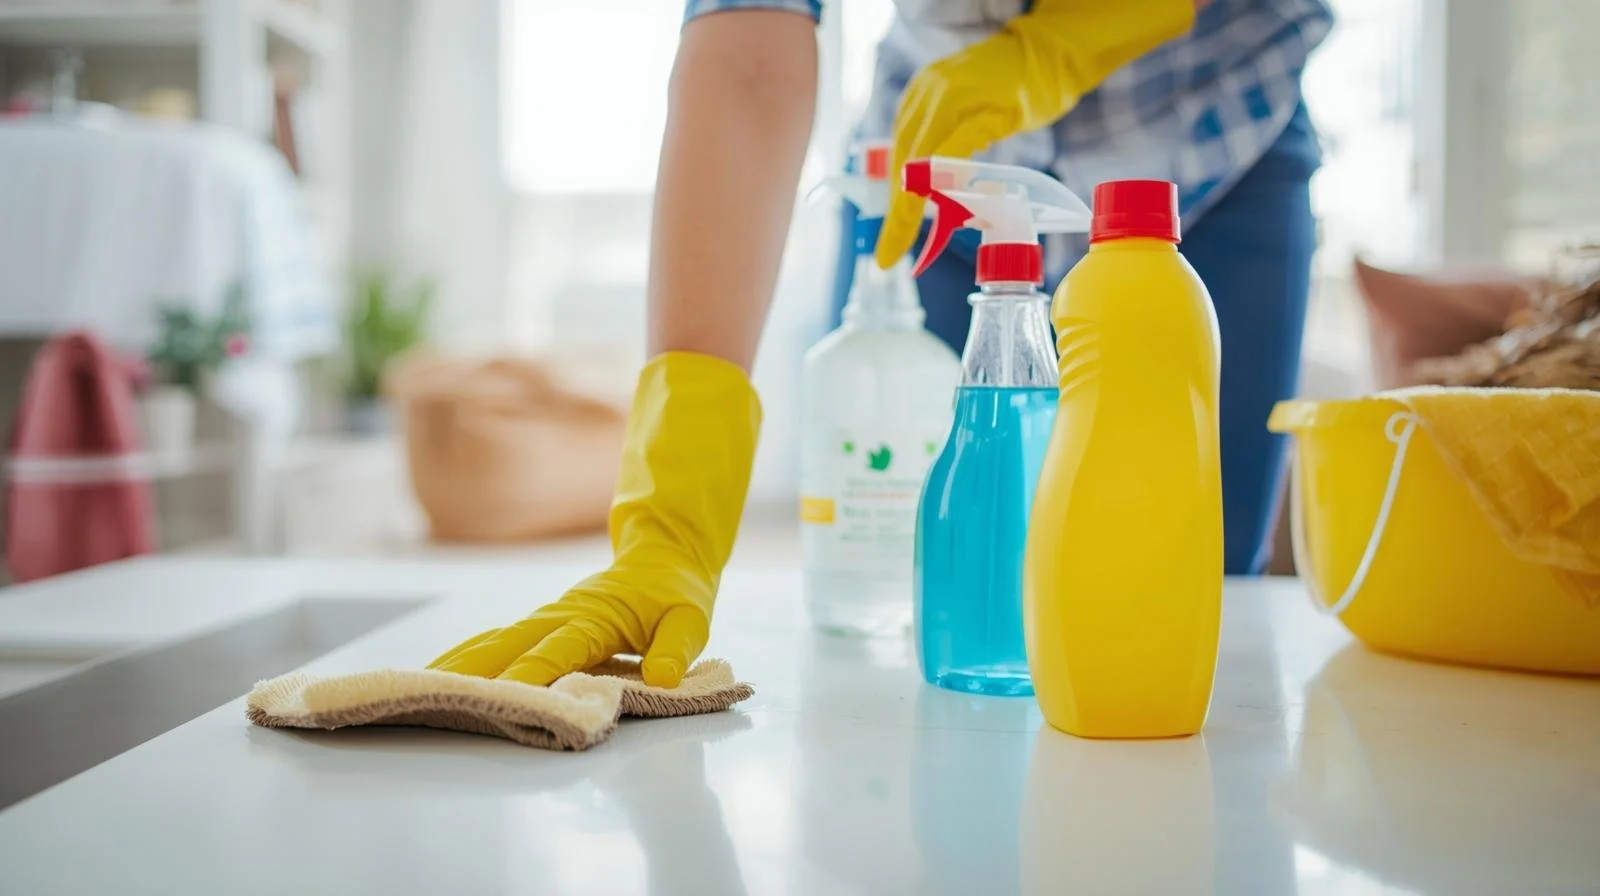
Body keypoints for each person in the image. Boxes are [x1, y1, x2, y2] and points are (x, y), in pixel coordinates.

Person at [429, 0, 1334, 689]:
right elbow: (746, 57)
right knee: (894, 585)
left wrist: (1059, 44)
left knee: (1173, 615)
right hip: (935, 160)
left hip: (1207, 143)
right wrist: (667, 523)